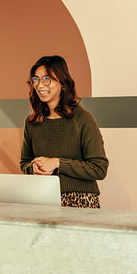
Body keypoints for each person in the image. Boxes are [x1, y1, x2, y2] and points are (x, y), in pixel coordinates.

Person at [20, 55, 109, 208]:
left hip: (80, 203)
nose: (40, 85)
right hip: (42, 200)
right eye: (35, 80)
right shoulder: (32, 122)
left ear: (62, 82)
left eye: (46, 79)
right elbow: (24, 163)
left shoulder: (82, 119)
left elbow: (99, 169)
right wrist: (32, 168)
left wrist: (57, 163)